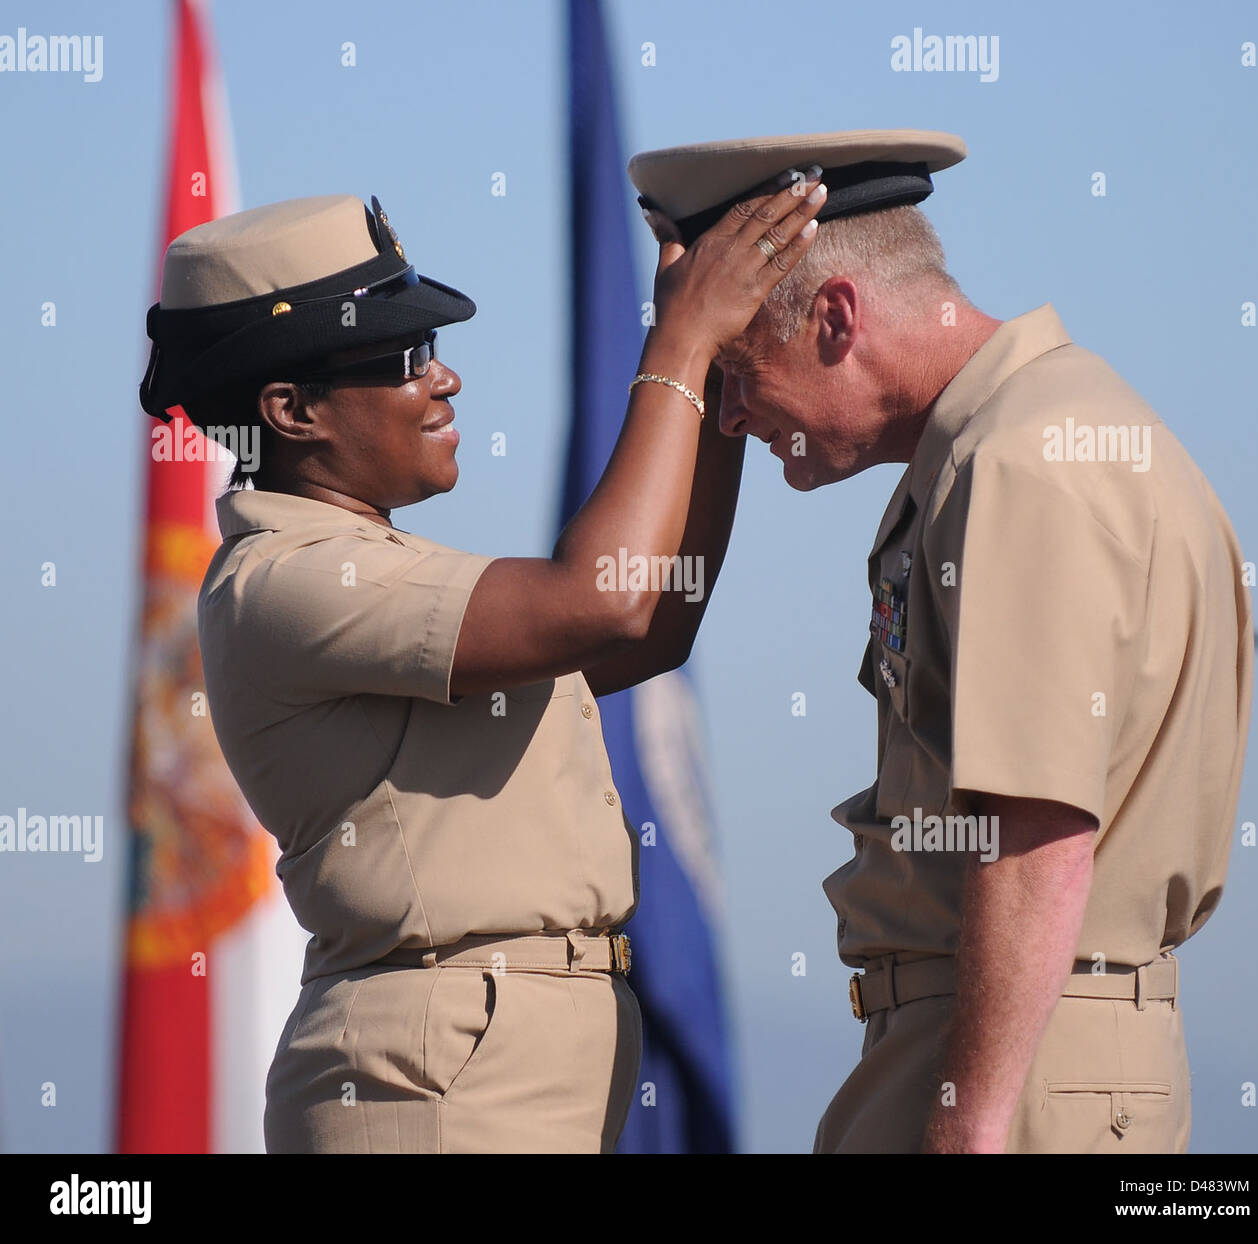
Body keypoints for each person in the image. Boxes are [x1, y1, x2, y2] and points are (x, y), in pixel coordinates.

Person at [137, 180, 826, 1153]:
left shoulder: (372, 565)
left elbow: (648, 622)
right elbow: (604, 598)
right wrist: (677, 343)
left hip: (496, 1061)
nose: (443, 378)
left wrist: (710, 365)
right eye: (402, 356)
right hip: (439, 1081)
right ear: (290, 410)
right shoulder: (285, 578)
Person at [628, 129, 1253, 1153]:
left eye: (734, 372)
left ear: (834, 316)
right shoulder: (1041, 431)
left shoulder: (1017, 464)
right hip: (1040, 1051)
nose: (728, 417)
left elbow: (1035, 834)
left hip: (1013, 1066)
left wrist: (968, 1126)